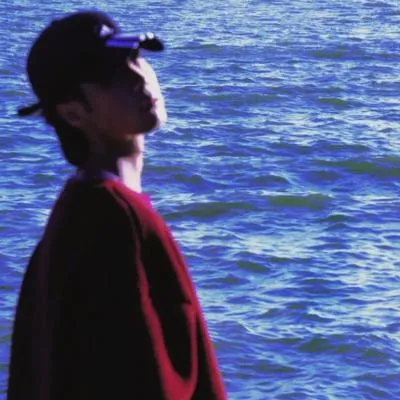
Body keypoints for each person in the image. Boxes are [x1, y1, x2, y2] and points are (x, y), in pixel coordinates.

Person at [8, 10, 227, 400]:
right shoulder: (112, 218)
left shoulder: (82, 209)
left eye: (136, 58)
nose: (138, 77)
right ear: (73, 113)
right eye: (112, 75)